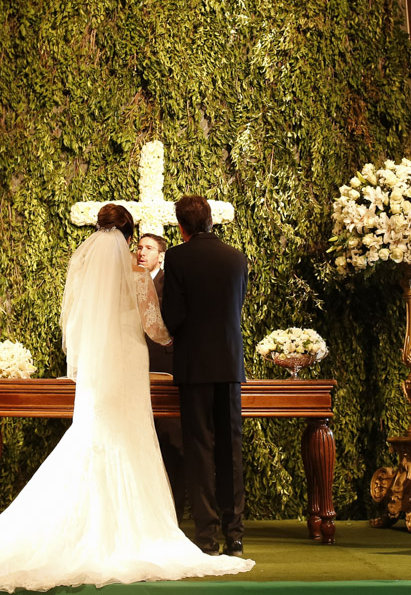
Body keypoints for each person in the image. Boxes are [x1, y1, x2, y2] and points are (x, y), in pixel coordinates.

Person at [0, 204, 253, 589]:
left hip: (98, 367)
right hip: (140, 361)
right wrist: (174, 338)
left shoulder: (86, 268)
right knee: (148, 437)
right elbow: (156, 327)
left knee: (96, 434)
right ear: (128, 237)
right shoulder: (142, 273)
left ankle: (95, 526)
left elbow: (79, 323)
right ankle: (201, 531)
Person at [160, 195, 249, 557]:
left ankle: (207, 537)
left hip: (194, 366)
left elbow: (173, 315)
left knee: (199, 450)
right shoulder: (236, 257)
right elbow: (237, 305)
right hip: (228, 363)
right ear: (211, 220)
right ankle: (235, 535)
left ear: (182, 227)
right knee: (231, 449)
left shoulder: (177, 257)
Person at [137, 232, 185, 518]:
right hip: (134, 365)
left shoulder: (170, 283)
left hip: (165, 366)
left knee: (170, 439)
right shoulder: (129, 281)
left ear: (161, 255)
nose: (142, 252)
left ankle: (173, 510)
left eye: (149, 248)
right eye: (139, 247)